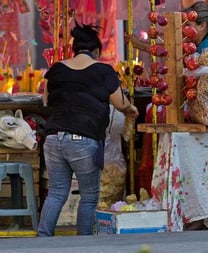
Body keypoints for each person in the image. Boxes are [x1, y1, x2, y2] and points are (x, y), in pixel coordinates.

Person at [37, 21, 139, 236]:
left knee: (56, 193)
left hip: (53, 138)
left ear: (74, 49)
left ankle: (42, 239)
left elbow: (45, 101)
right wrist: (131, 110)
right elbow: (120, 103)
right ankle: (84, 243)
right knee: (90, 195)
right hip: (82, 138)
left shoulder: (56, 69)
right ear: (96, 51)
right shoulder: (103, 71)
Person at [125, 1, 208, 54]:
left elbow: (172, 52)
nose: (184, 30)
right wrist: (139, 44)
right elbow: (171, 49)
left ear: (202, 26)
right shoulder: (202, 43)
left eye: (188, 25)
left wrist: (139, 44)